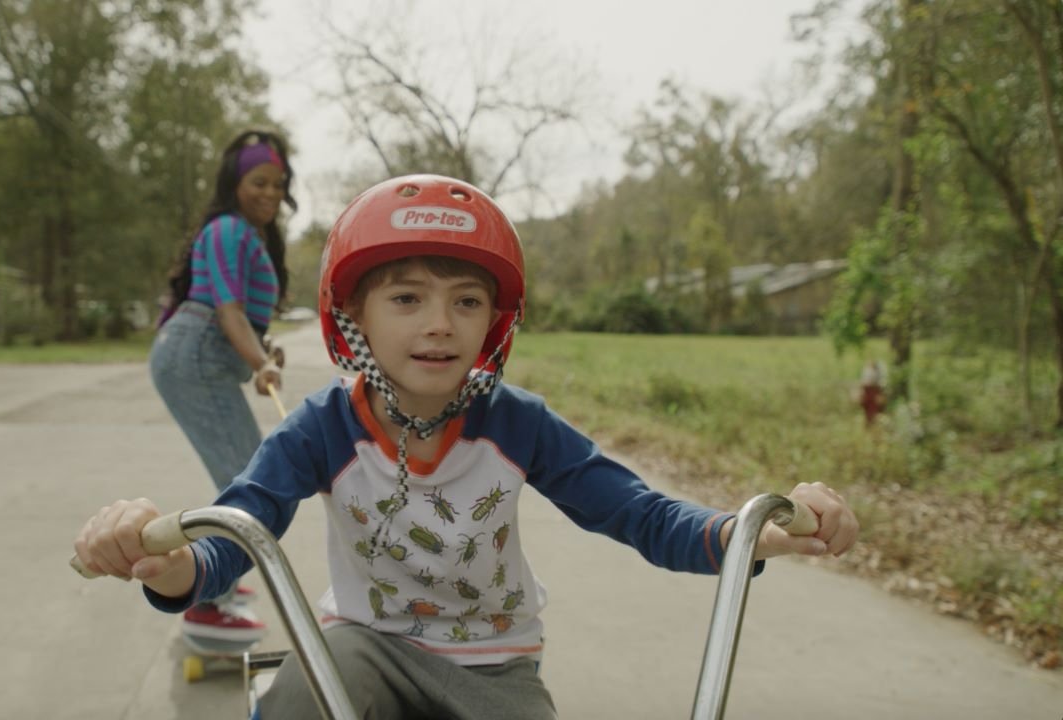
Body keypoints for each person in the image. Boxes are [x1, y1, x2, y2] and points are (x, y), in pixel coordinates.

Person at [76, 175, 859, 719]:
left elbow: (641, 515)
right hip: (366, 647)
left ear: (495, 321)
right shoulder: (319, 426)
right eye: (407, 298)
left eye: (466, 300)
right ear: (353, 314)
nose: (440, 323)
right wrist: (175, 563)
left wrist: (756, 529)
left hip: (496, 668)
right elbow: (240, 524)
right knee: (300, 695)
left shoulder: (519, 425)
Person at [147, 129, 297, 644]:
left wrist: (262, 351)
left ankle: (215, 584)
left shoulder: (246, 235)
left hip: (199, 353)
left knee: (247, 480)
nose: (270, 193)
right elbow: (226, 310)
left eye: (279, 185)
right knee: (252, 487)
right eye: (259, 181)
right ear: (235, 182)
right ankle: (206, 604)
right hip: (195, 354)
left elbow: (242, 317)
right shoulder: (228, 230)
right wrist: (260, 364)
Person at [858, 359, 887, 427]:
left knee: (875, 413)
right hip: (870, 392)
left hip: (874, 392)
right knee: (869, 414)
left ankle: (874, 426)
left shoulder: (879, 371)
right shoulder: (867, 371)